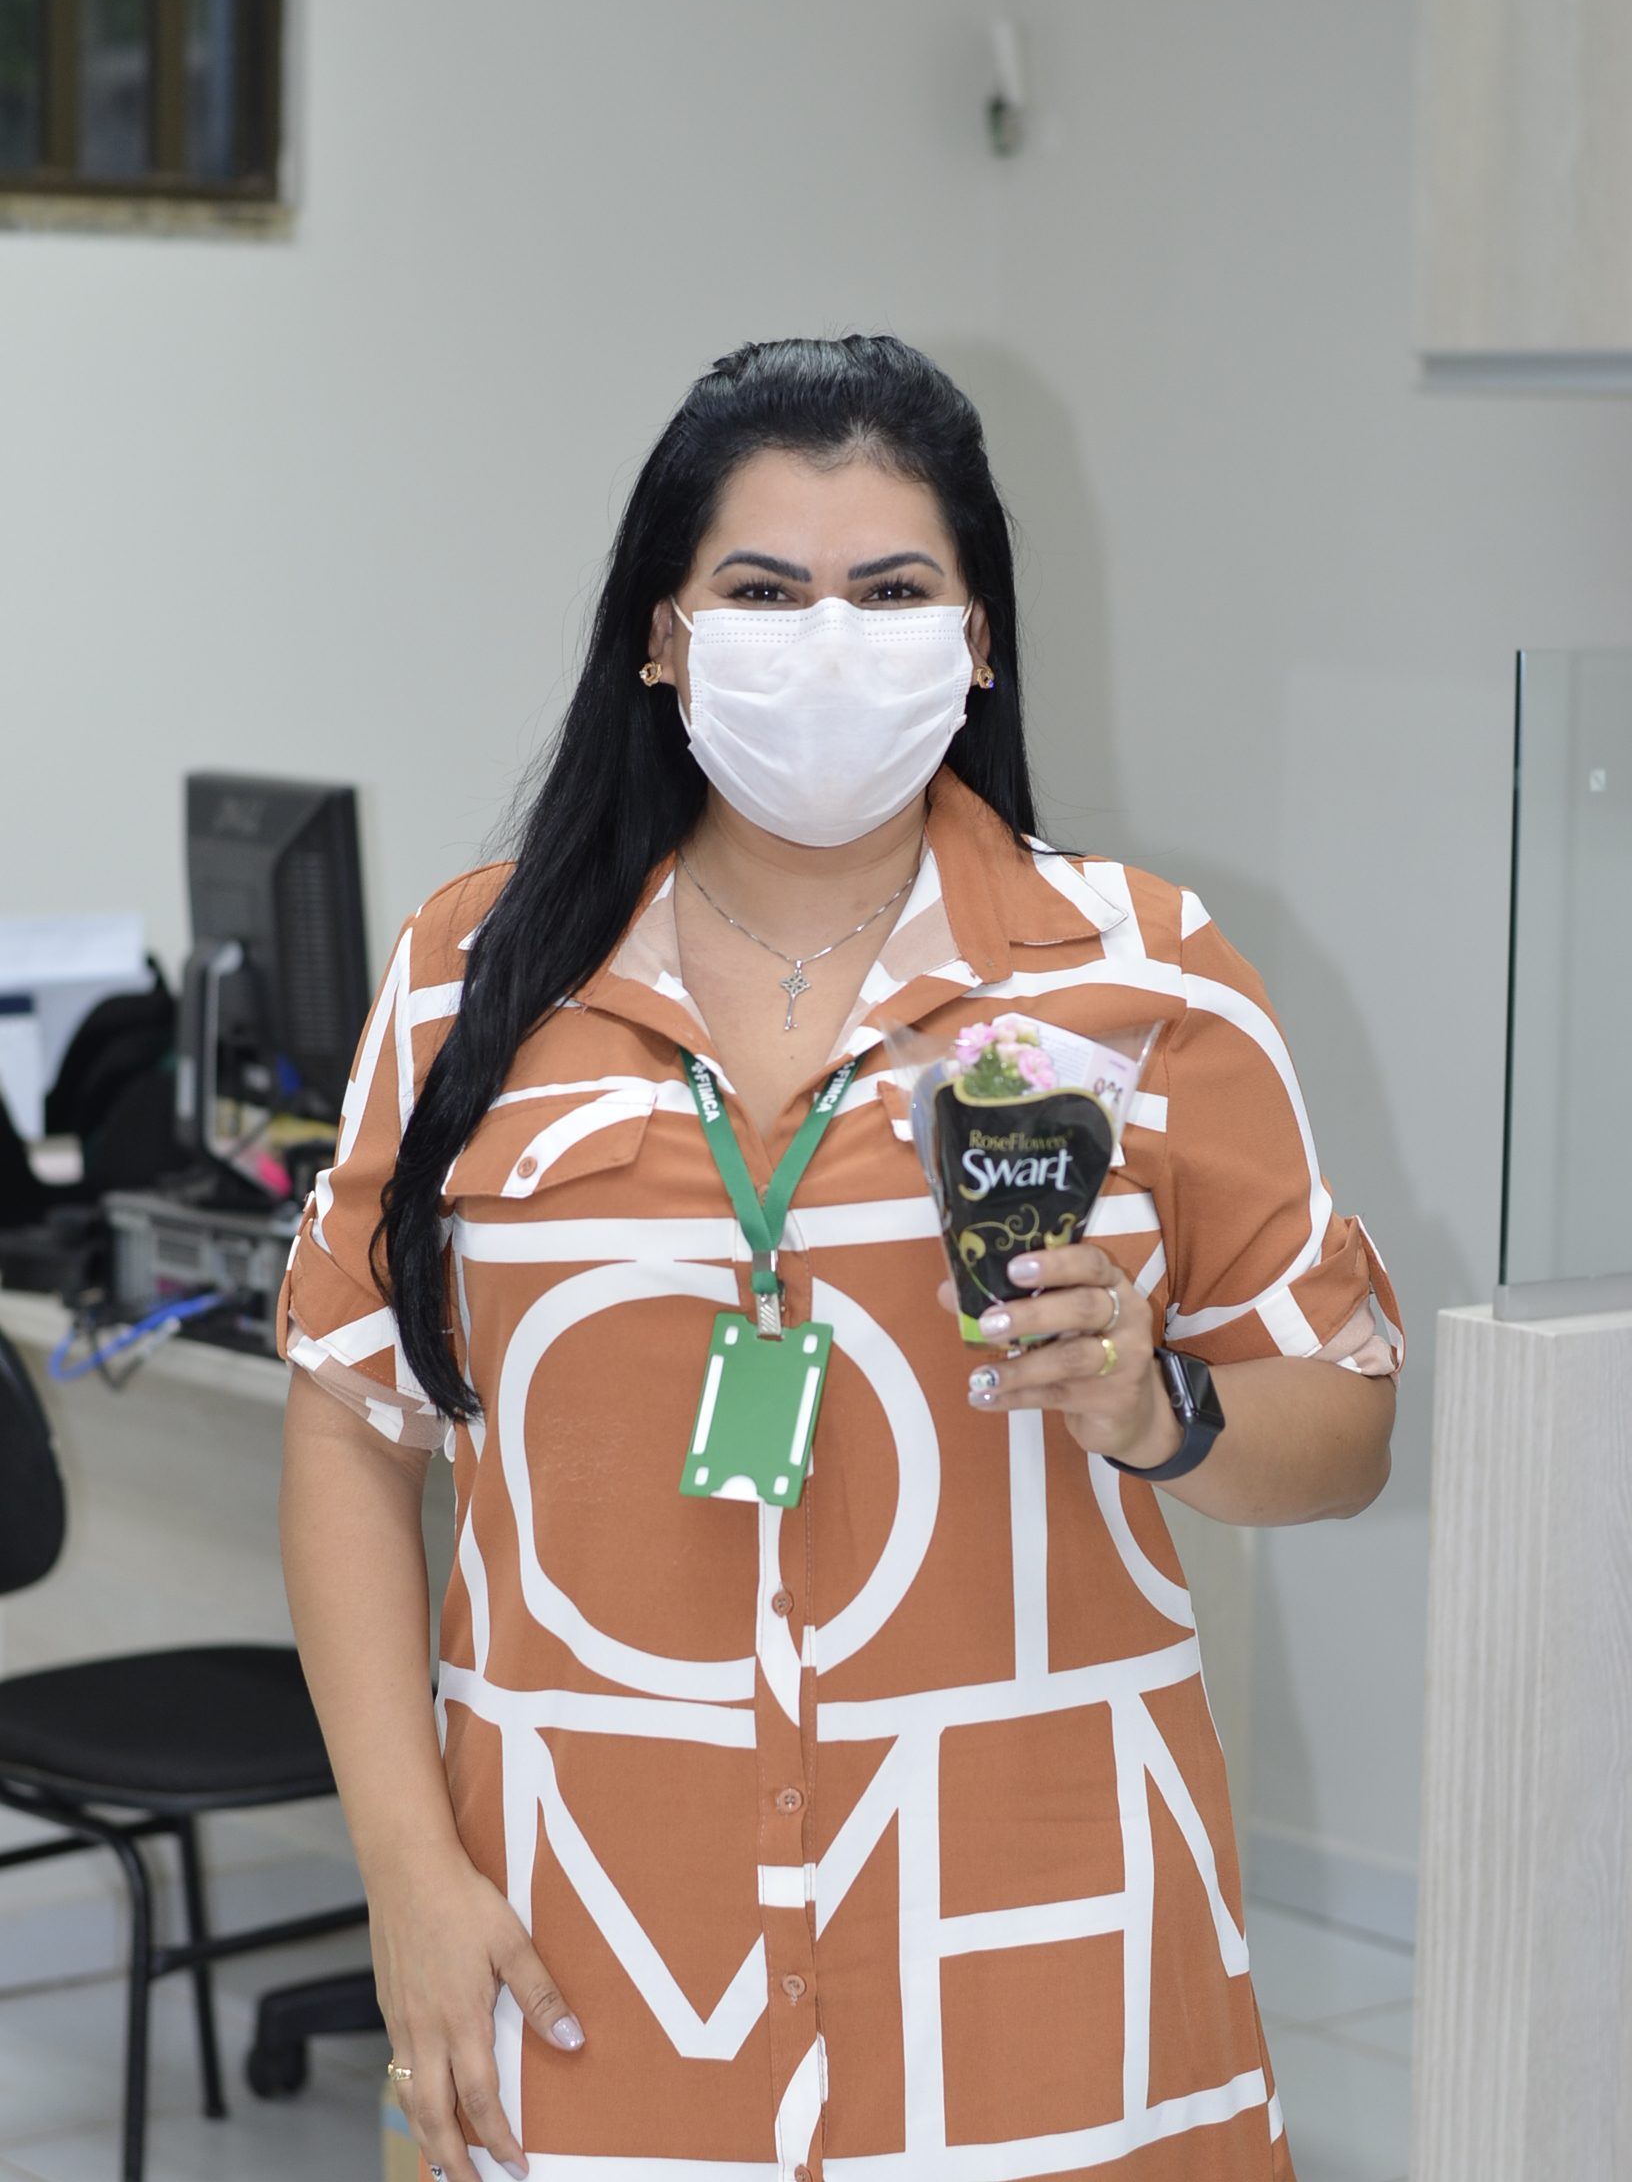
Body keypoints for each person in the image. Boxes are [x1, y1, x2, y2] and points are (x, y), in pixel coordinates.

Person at [277, 334, 1403, 2182]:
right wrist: (405, 1871)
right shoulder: (471, 979)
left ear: (977, 642)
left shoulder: (1149, 977)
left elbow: (1344, 1430)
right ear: (662, 638)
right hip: (590, 1940)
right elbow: (348, 1419)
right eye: (761, 591)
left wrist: (1161, 1406)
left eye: (890, 592)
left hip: (1040, 1950)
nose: (826, 639)